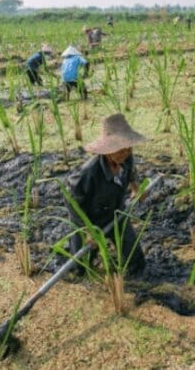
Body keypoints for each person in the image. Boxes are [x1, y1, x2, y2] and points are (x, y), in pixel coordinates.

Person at [66, 113, 147, 279]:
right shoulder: (89, 172)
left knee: (136, 259)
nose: (125, 152)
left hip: (116, 213)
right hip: (90, 220)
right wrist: (87, 229)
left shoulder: (126, 157)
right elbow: (72, 200)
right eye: (119, 148)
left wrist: (135, 187)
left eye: (128, 147)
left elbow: (131, 170)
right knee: (80, 267)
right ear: (108, 149)